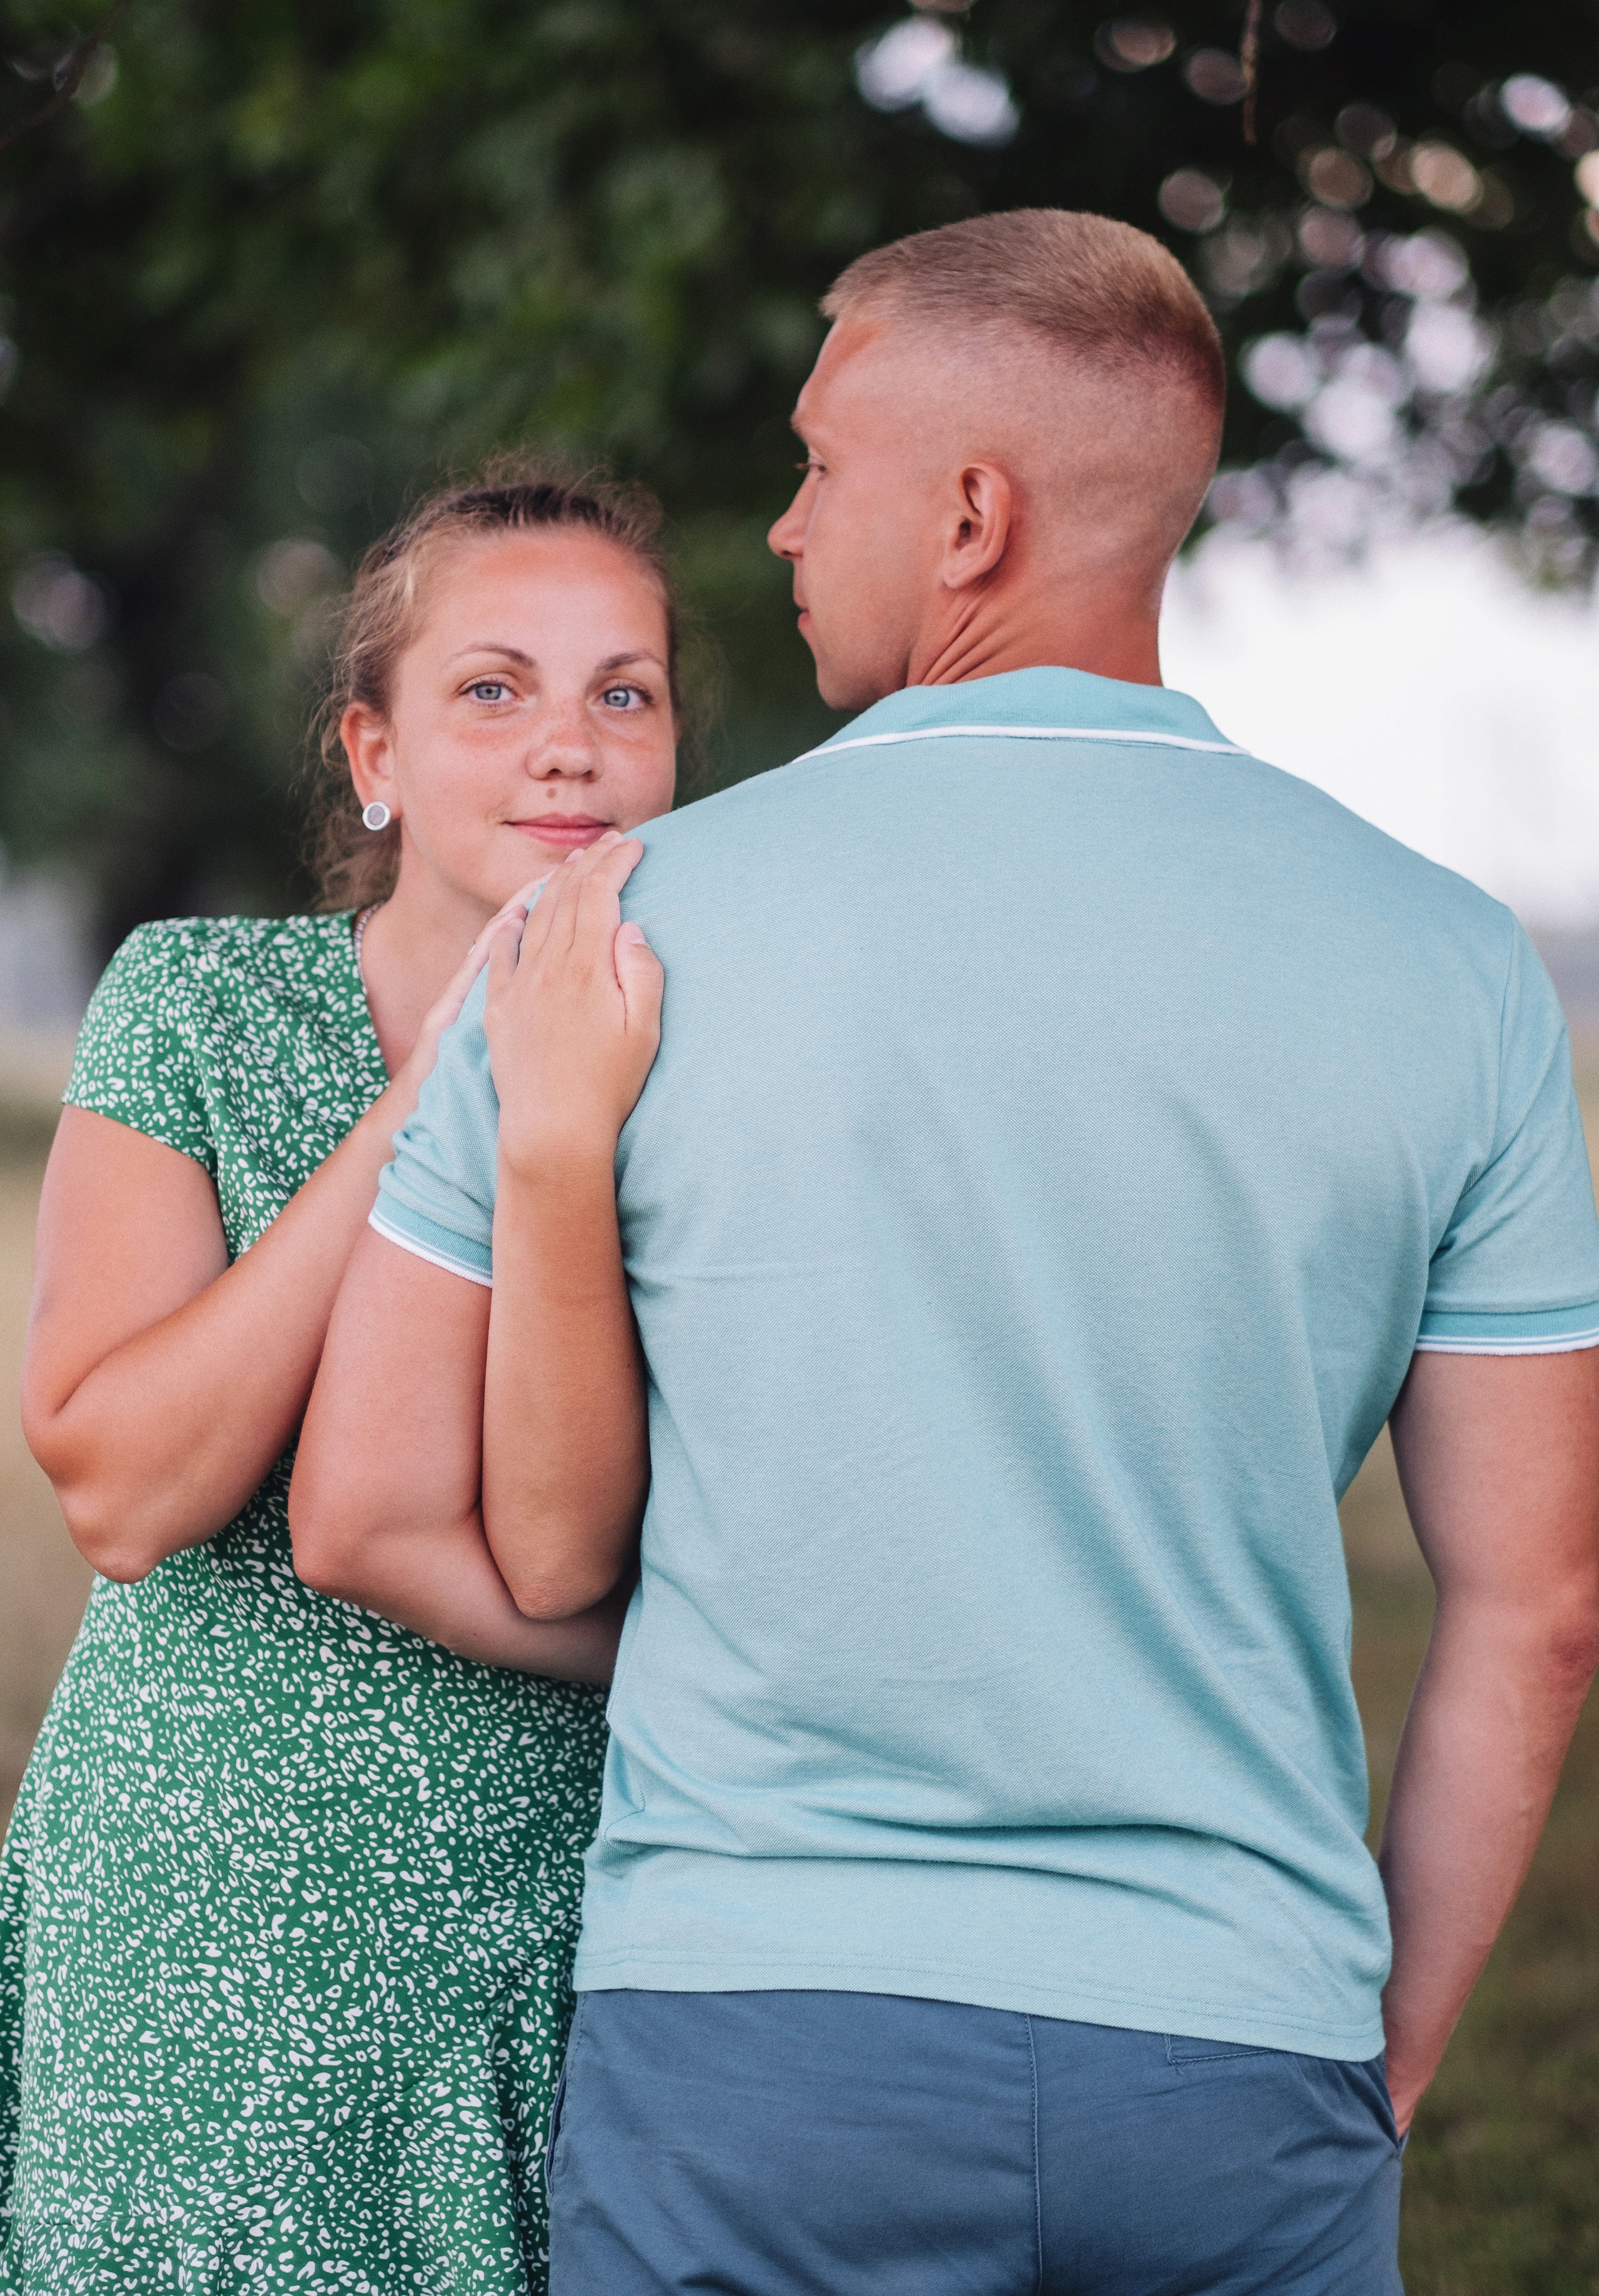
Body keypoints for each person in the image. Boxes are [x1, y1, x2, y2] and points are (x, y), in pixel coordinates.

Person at [297, 212, 1599, 2295]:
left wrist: (780, 1638)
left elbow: (373, 1502)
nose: (790, 526)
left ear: (972, 515)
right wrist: (1374, 2074)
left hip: (753, 2051)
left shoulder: (608, 930)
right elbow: (1536, 1611)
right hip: (1239, 2061)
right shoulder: (1457, 965)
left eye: (824, 467)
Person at [0, 470, 688, 2293]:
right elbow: (123, 1492)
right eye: (494, 688)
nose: (569, 747)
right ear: (371, 755)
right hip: (199, 1926)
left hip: (577, 1914)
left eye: (625, 692)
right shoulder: (200, 1008)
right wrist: (431, 1099)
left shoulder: (711, 1057)